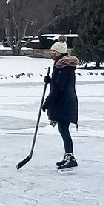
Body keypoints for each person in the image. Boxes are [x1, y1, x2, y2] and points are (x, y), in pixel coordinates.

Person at [42, 40, 80, 170]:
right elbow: (59, 83)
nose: (52, 53)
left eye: (54, 51)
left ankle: (70, 158)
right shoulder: (61, 66)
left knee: (64, 129)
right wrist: (50, 80)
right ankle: (68, 156)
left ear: (59, 53)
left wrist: (47, 102)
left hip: (65, 103)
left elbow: (59, 88)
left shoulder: (63, 67)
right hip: (65, 102)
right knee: (63, 129)